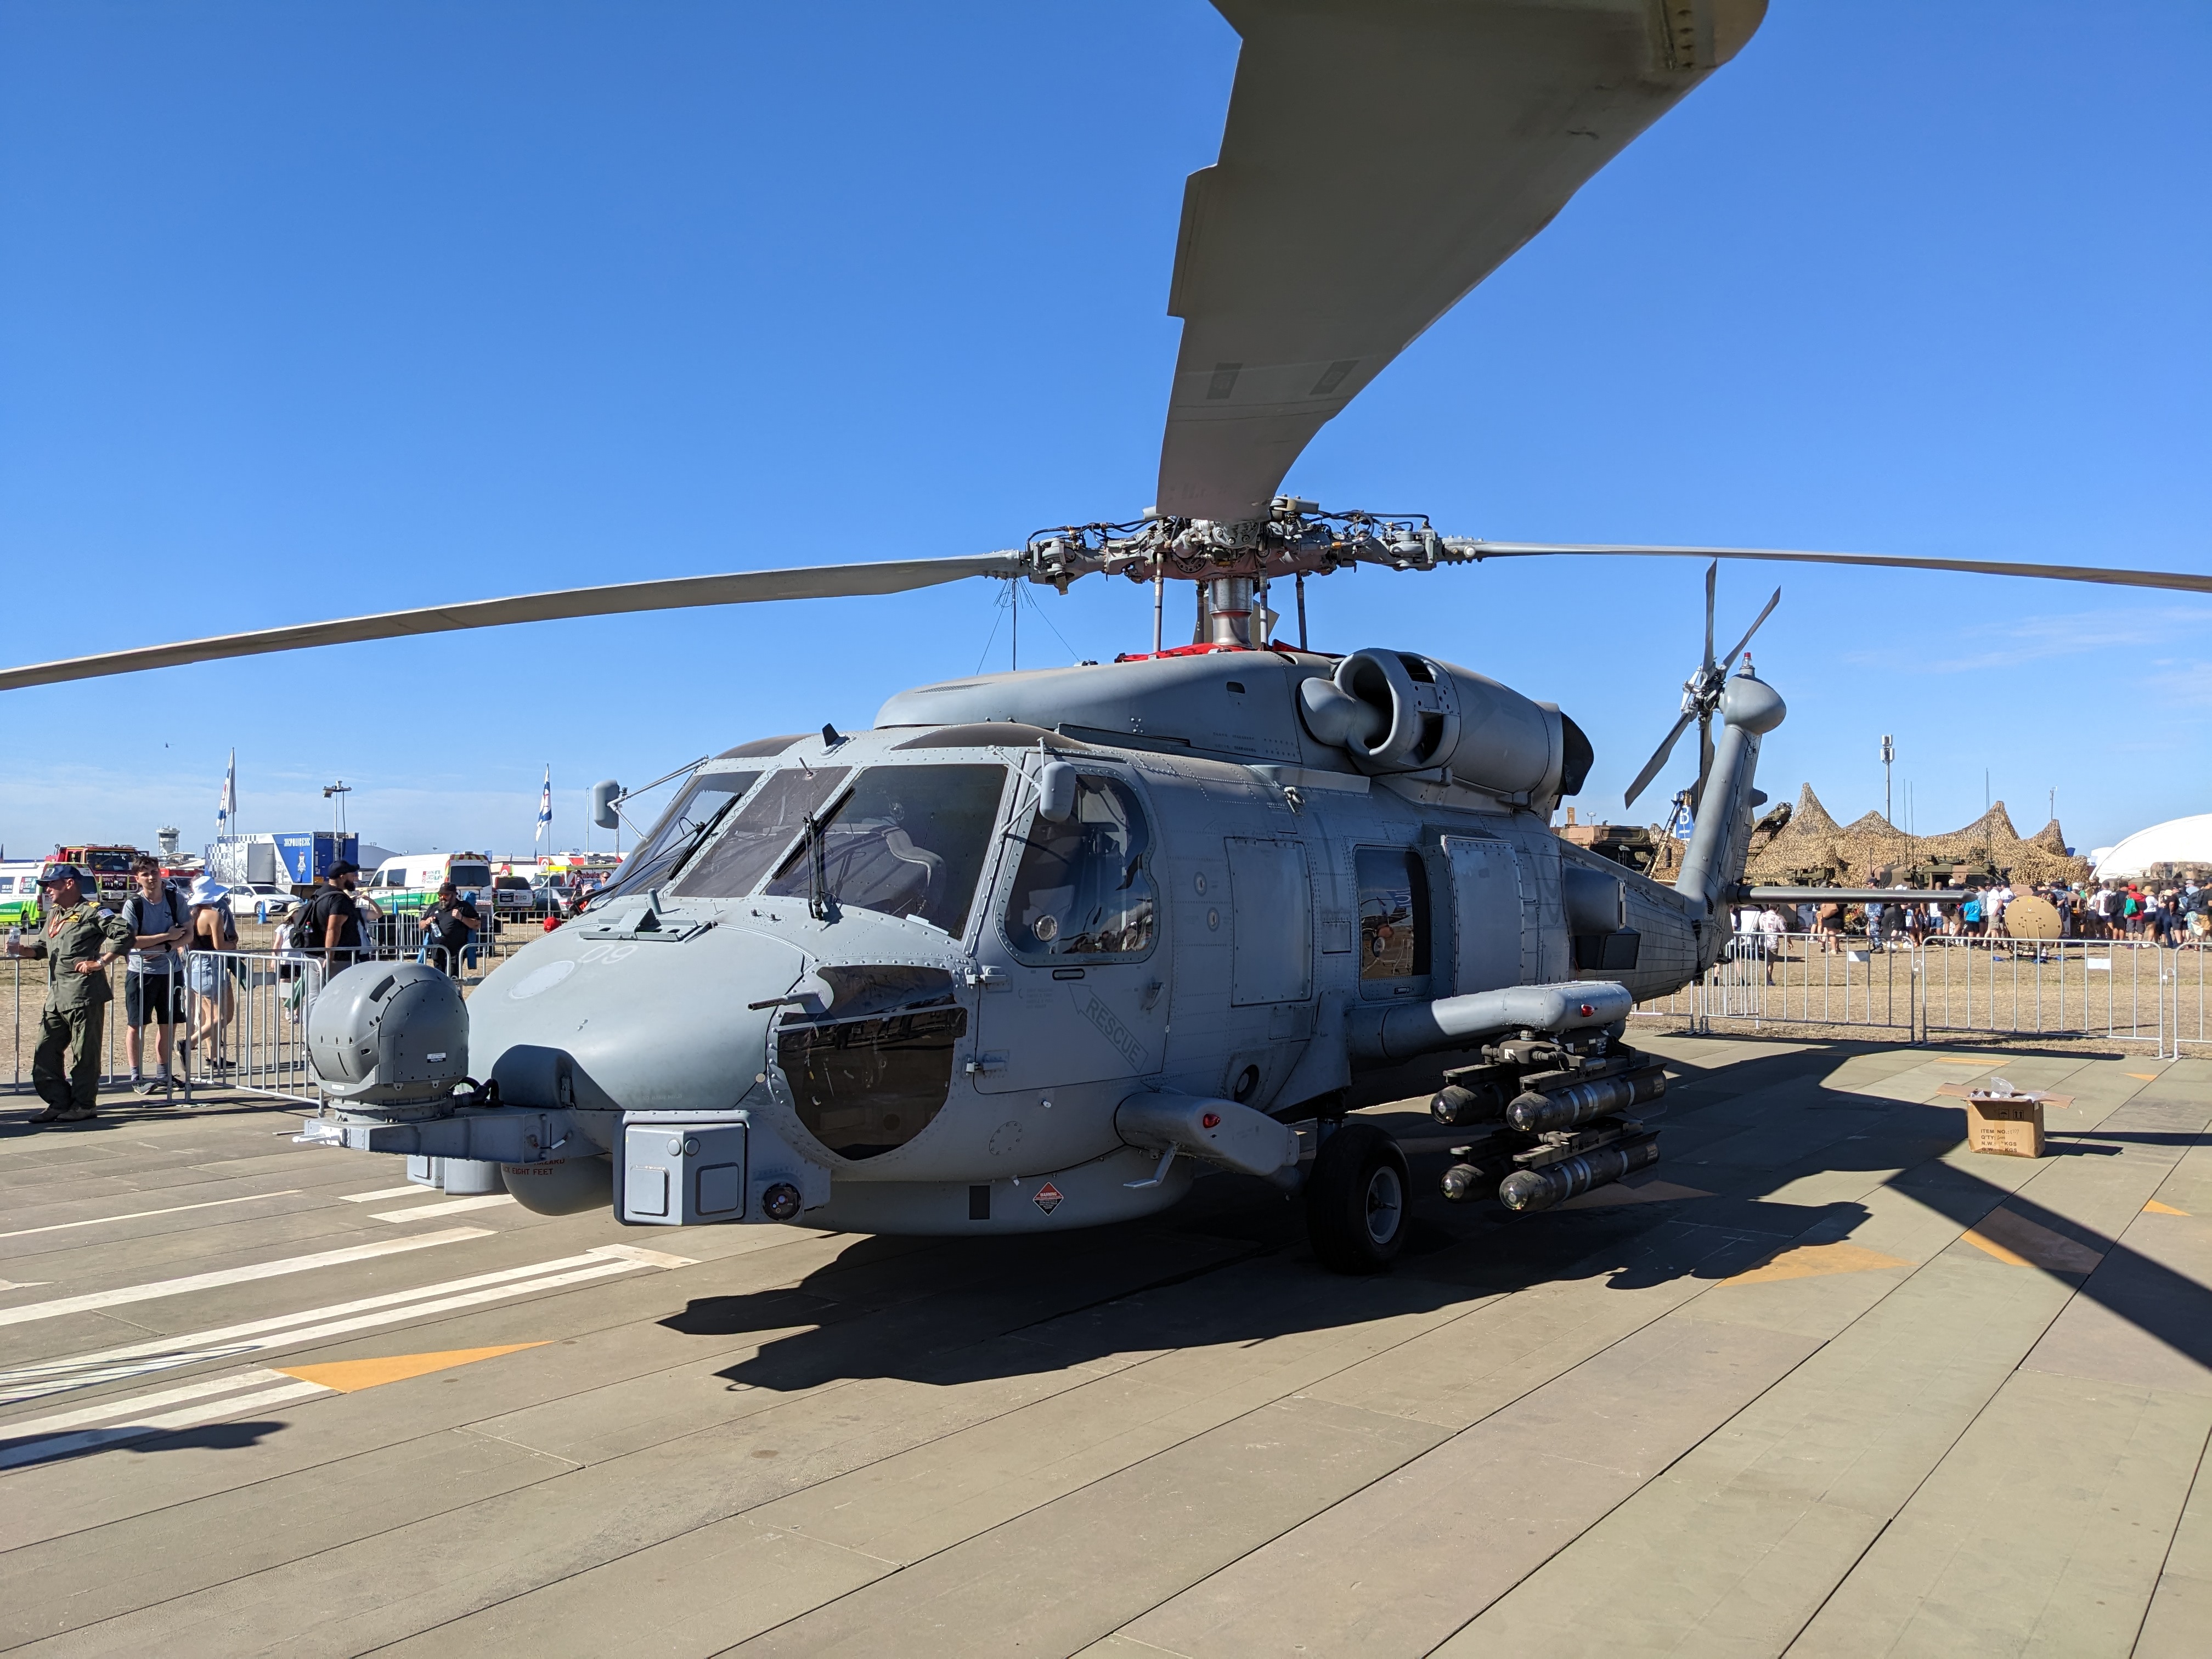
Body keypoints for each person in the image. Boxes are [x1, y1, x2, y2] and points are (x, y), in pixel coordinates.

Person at [5, 866, 133, 1125]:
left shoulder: (92, 911)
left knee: (84, 1054)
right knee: (45, 1052)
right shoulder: (55, 913)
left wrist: (102, 962)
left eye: (52, 884)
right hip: (57, 995)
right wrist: (23, 950)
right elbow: (43, 947)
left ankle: (84, 1104)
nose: (47, 890)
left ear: (70, 883)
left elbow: (125, 933)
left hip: (84, 994)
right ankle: (59, 1102)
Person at [121, 853, 191, 1093]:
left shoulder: (175, 899)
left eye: (154, 872)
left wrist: (166, 947)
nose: (151, 878)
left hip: (172, 971)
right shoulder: (134, 905)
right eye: (145, 874)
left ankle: (164, 1074)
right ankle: (137, 1076)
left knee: (169, 1024)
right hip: (141, 973)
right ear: (137, 878)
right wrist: (167, 937)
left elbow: (188, 934)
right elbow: (131, 941)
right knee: (137, 1024)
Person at [184, 874, 239, 1069]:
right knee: (224, 1017)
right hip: (212, 968)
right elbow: (219, 946)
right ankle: (188, 1043)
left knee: (210, 1018)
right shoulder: (214, 915)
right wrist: (233, 945)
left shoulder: (191, 915)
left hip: (194, 967)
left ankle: (213, 1057)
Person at [422, 879, 481, 977]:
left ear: (454, 895)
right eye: (440, 895)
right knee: (439, 978)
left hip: (456, 951)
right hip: (438, 950)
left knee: (453, 978)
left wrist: (461, 918)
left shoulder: (463, 907)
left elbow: (477, 924)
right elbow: (421, 925)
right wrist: (426, 922)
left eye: (446, 895)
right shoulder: (434, 907)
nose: (442, 898)